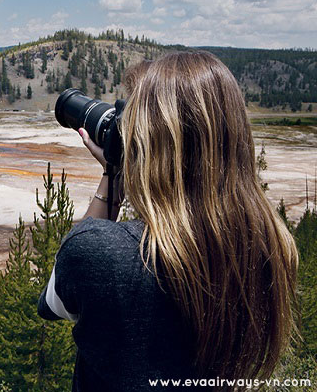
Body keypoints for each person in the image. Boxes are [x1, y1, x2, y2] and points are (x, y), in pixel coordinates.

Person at [37, 52, 298, 391]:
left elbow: (51, 304)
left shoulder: (102, 253)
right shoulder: (268, 249)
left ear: (150, 145)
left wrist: (112, 175)